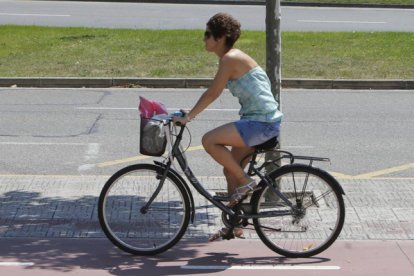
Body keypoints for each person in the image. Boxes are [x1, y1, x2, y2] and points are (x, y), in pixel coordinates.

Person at [173, 13, 283, 241]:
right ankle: (236, 225)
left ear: (220, 38)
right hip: (260, 120)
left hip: (260, 122)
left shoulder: (230, 59)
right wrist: (189, 112)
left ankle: (247, 182)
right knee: (231, 170)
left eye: (207, 35)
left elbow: (213, 92)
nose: (204, 39)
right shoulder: (232, 58)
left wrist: (190, 116)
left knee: (209, 140)